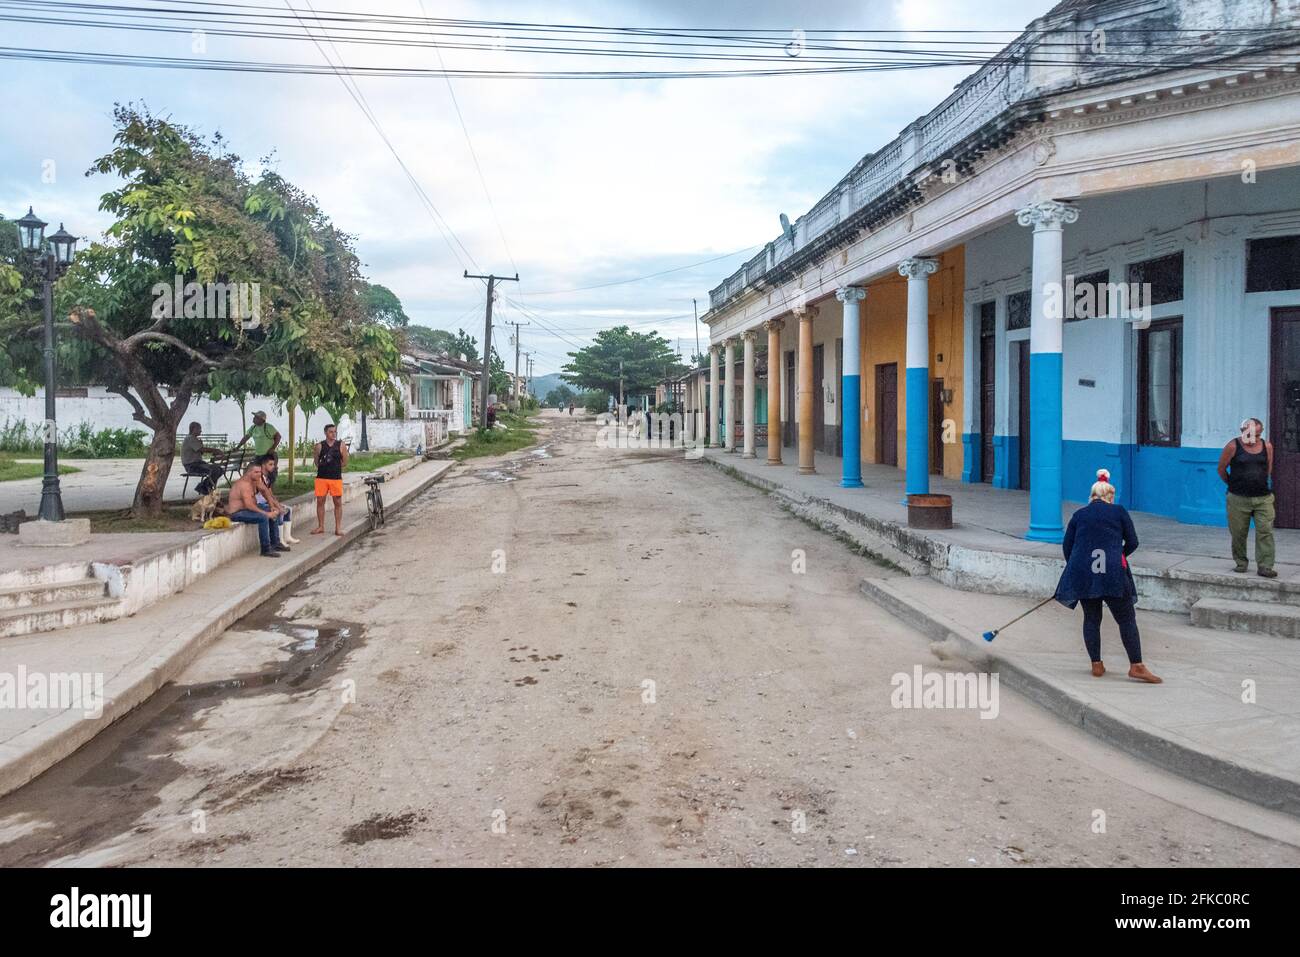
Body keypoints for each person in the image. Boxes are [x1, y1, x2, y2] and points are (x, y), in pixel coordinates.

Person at [1054, 469, 1161, 684]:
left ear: (1092, 496)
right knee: (1126, 619)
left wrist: (1080, 564)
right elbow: (1133, 542)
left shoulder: (1079, 515)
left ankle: (1096, 664)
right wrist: (1117, 555)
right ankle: (1136, 666)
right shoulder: (1119, 512)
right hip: (1113, 573)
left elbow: (1068, 547)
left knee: (1092, 618)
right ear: (1110, 496)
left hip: (1085, 574)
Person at [1218, 417, 1276, 578]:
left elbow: (1268, 468)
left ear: (1260, 433)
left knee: (1265, 531)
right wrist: (1232, 484)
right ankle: (1241, 562)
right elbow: (1221, 468)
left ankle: (1265, 565)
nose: (1253, 439)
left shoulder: (1267, 446)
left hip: (1263, 498)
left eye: (1257, 435)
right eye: (1249, 434)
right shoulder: (1232, 446)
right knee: (1238, 533)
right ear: (1242, 432)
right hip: (1238, 498)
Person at [228, 462, 288, 558]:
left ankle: (276, 543)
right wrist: (266, 514)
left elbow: (266, 491)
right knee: (263, 517)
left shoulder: (255, 480)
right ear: (248, 472)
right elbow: (249, 505)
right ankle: (265, 549)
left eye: (260, 472)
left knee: (273, 511)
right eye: (256, 472)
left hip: (249, 509)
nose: (259, 474)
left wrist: (272, 506)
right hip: (238, 513)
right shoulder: (243, 485)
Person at [255, 452, 299, 545]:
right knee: (278, 512)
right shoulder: (258, 477)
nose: (273, 466)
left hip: (266, 502)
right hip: (258, 504)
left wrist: (279, 505)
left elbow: (271, 494)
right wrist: (278, 507)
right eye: (270, 464)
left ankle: (287, 537)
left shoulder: (267, 477)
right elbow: (266, 495)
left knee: (288, 510)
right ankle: (279, 540)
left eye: (273, 464)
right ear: (263, 465)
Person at [312, 423, 348, 536]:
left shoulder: (341, 445)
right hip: (322, 478)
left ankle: (338, 528)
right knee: (320, 501)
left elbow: (345, 461)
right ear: (325, 433)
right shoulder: (319, 446)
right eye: (331, 432)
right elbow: (317, 462)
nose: (333, 434)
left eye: (335, 432)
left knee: (337, 502)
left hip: (336, 478)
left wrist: (335, 467)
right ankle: (321, 526)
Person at [180, 421, 224, 495]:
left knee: (220, 470)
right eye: (199, 429)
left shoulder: (194, 439)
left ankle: (204, 487)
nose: (201, 430)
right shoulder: (190, 438)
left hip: (198, 464)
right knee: (215, 469)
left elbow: (201, 452)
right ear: (193, 429)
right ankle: (204, 487)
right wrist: (216, 450)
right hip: (192, 466)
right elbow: (202, 450)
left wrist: (201, 445)